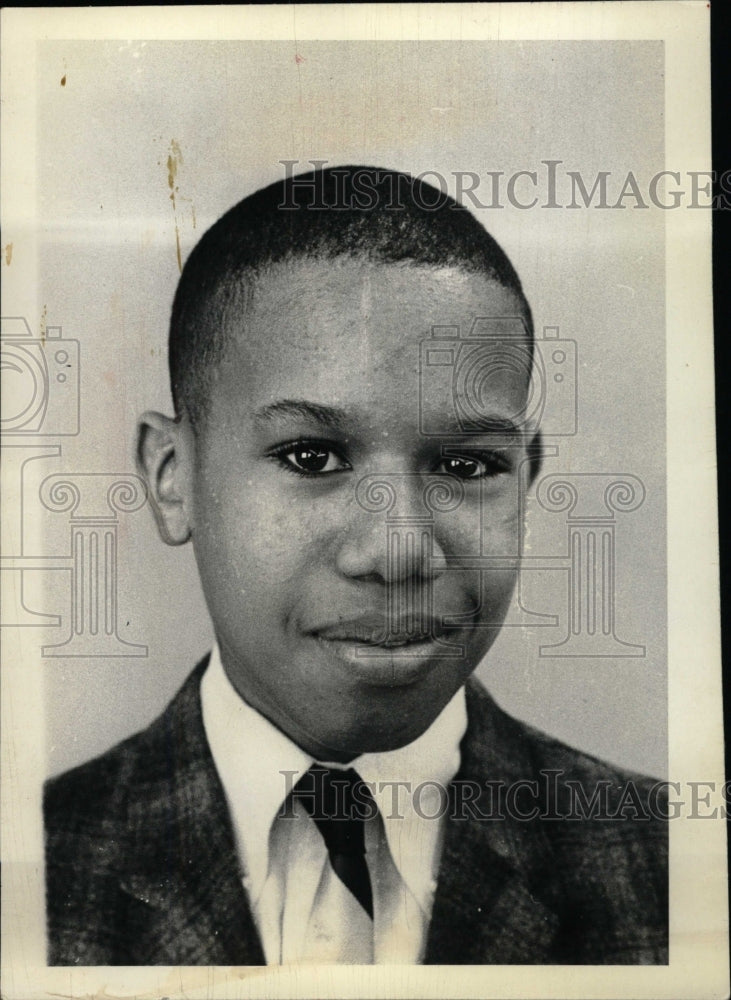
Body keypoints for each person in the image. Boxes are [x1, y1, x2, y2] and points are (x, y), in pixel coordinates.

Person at [44, 166, 668, 966]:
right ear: (172, 478)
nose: (397, 548)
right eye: (311, 457)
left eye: (468, 465)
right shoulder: (33, 872)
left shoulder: (671, 865)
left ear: (528, 474)